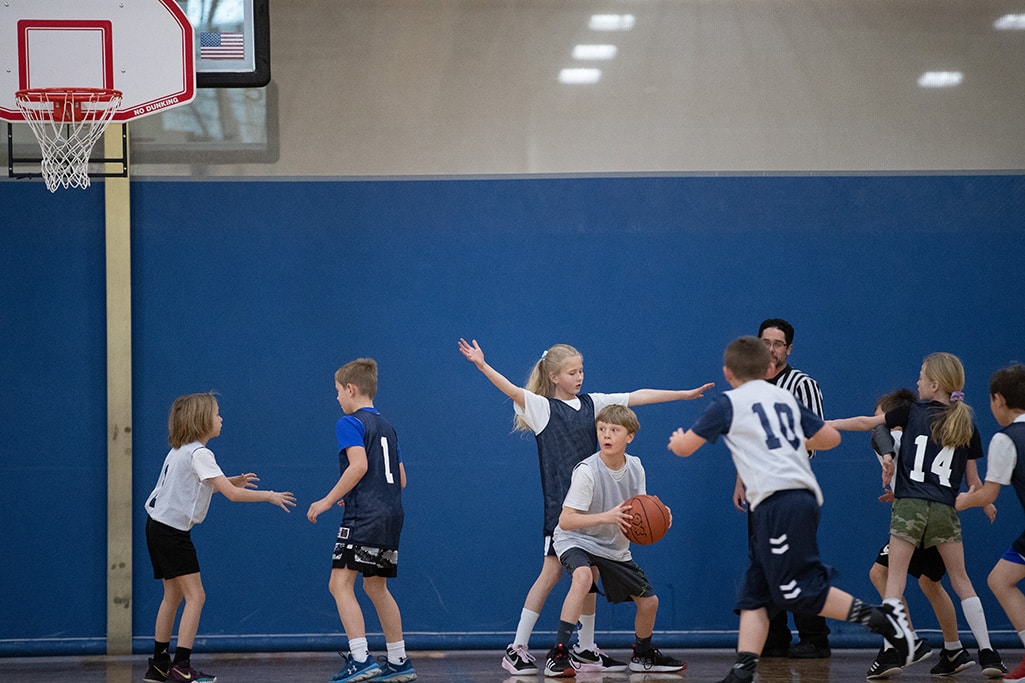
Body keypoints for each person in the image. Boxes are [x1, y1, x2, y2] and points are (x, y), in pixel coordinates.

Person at [667, 336, 915, 683]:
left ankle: (882, 619)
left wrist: (678, 440)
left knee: (795, 590)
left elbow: (685, 448)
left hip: (780, 500)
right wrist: (791, 440)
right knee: (756, 588)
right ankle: (743, 669)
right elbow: (831, 438)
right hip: (796, 498)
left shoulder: (727, 403)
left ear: (727, 372)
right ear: (768, 368)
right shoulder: (784, 396)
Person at [458, 338, 713, 675]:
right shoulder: (543, 407)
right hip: (564, 512)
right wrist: (482, 364)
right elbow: (511, 390)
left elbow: (637, 396)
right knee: (552, 575)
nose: (579, 377)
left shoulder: (593, 404)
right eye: (572, 372)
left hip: (593, 511)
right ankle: (518, 647)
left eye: (581, 370)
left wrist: (681, 395)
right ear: (554, 376)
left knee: (588, 575)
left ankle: (586, 648)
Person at [828, 352, 1006, 678]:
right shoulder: (966, 421)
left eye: (921, 376)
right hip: (944, 508)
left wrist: (827, 424)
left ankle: (895, 649)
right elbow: (974, 481)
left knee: (893, 582)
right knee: (961, 581)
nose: (917, 381)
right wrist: (984, 502)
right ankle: (989, 653)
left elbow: (868, 424)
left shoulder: (911, 411)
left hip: (910, 505)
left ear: (934, 383)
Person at [143, 392, 297, 683]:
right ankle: (182, 667)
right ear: (202, 421)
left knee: (172, 596)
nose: (221, 418)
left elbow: (195, 490)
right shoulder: (200, 453)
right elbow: (233, 495)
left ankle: (160, 664)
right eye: (217, 414)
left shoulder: (180, 450)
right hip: (173, 533)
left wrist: (229, 481)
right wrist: (269, 496)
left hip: (156, 528)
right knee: (196, 596)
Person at [542, 404, 686, 678]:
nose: (606, 435)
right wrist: (607, 517)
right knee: (583, 577)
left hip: (612, 546)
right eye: (602, 429)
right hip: (576, 538)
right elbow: (566, 521)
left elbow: (639, 508)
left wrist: (661, 514)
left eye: (614, 430)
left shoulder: (636, 467)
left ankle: (642, 654)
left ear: (629, 437)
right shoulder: (587, 470)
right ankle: (559, 653)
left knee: (650, 602)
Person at [863, 388, 986, 679]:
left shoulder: (893, 434)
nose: (879, 419)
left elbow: (878, 433)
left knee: (882, 575)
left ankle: (907, 642)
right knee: (931, 584)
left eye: (882, 415)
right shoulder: (933, 429)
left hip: (917, 517)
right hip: (937, 514)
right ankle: (955, 649)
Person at [307, 358, 416, 683]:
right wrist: (357, 490)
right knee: (376, 585)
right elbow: (401, 479)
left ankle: (360, 659)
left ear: (350, 389)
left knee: (339, 583)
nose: (337, 397)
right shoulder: (387, 427)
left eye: (338, 391)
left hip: (364, 516)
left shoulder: (350, 423)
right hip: (391, 514)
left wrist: (327, 500)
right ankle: (399, 661)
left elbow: (358, 467)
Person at [749, 318, 831, 659]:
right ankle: (776, 636)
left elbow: (817, 437)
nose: (771, 348)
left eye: (778, 343)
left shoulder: (801, 384)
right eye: (765, 341)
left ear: (789, 348)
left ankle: (815, 637)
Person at [956, 363, 1025, 682]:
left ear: (997, 399)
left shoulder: (1006, 438)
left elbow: (988, 494)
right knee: (1002, 578)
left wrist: (959, 501)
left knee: (1000, 581)